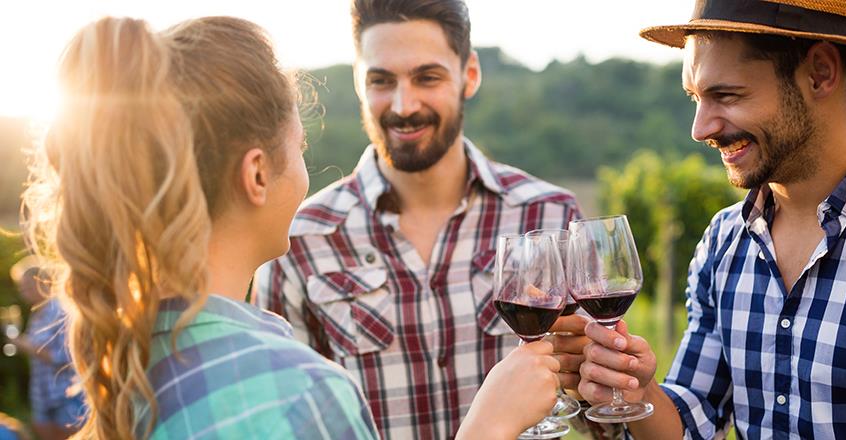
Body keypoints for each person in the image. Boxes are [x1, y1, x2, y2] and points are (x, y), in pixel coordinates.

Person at [22, 15, 562, 440]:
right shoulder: (302, 393)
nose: (403, 103)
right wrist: (490, 426)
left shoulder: (136, 361)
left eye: (426, 76)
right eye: (300, 147)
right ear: (257, 174)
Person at [576, 0, 846, 438]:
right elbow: (694, 420)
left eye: (725, 95)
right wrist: (635, 392)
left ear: (820, 72)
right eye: (695, 98)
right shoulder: (722, 241)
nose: (700, 129)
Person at [255, 0, 590, 438]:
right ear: (358, 81)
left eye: (426, 77)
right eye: (381, 80)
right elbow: (286, 425)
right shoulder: (298, 239)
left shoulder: (550, 215)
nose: (404, 104)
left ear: (469, 74)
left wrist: (598, 381)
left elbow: (594, 418)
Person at [9, 256, 84, 439]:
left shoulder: (60, 312)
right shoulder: (38, 314)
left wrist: (28, 347)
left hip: (63, 398)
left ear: (41, 282)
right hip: (43, 396)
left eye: (26, 286)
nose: (22, 292)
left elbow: (68, 357)